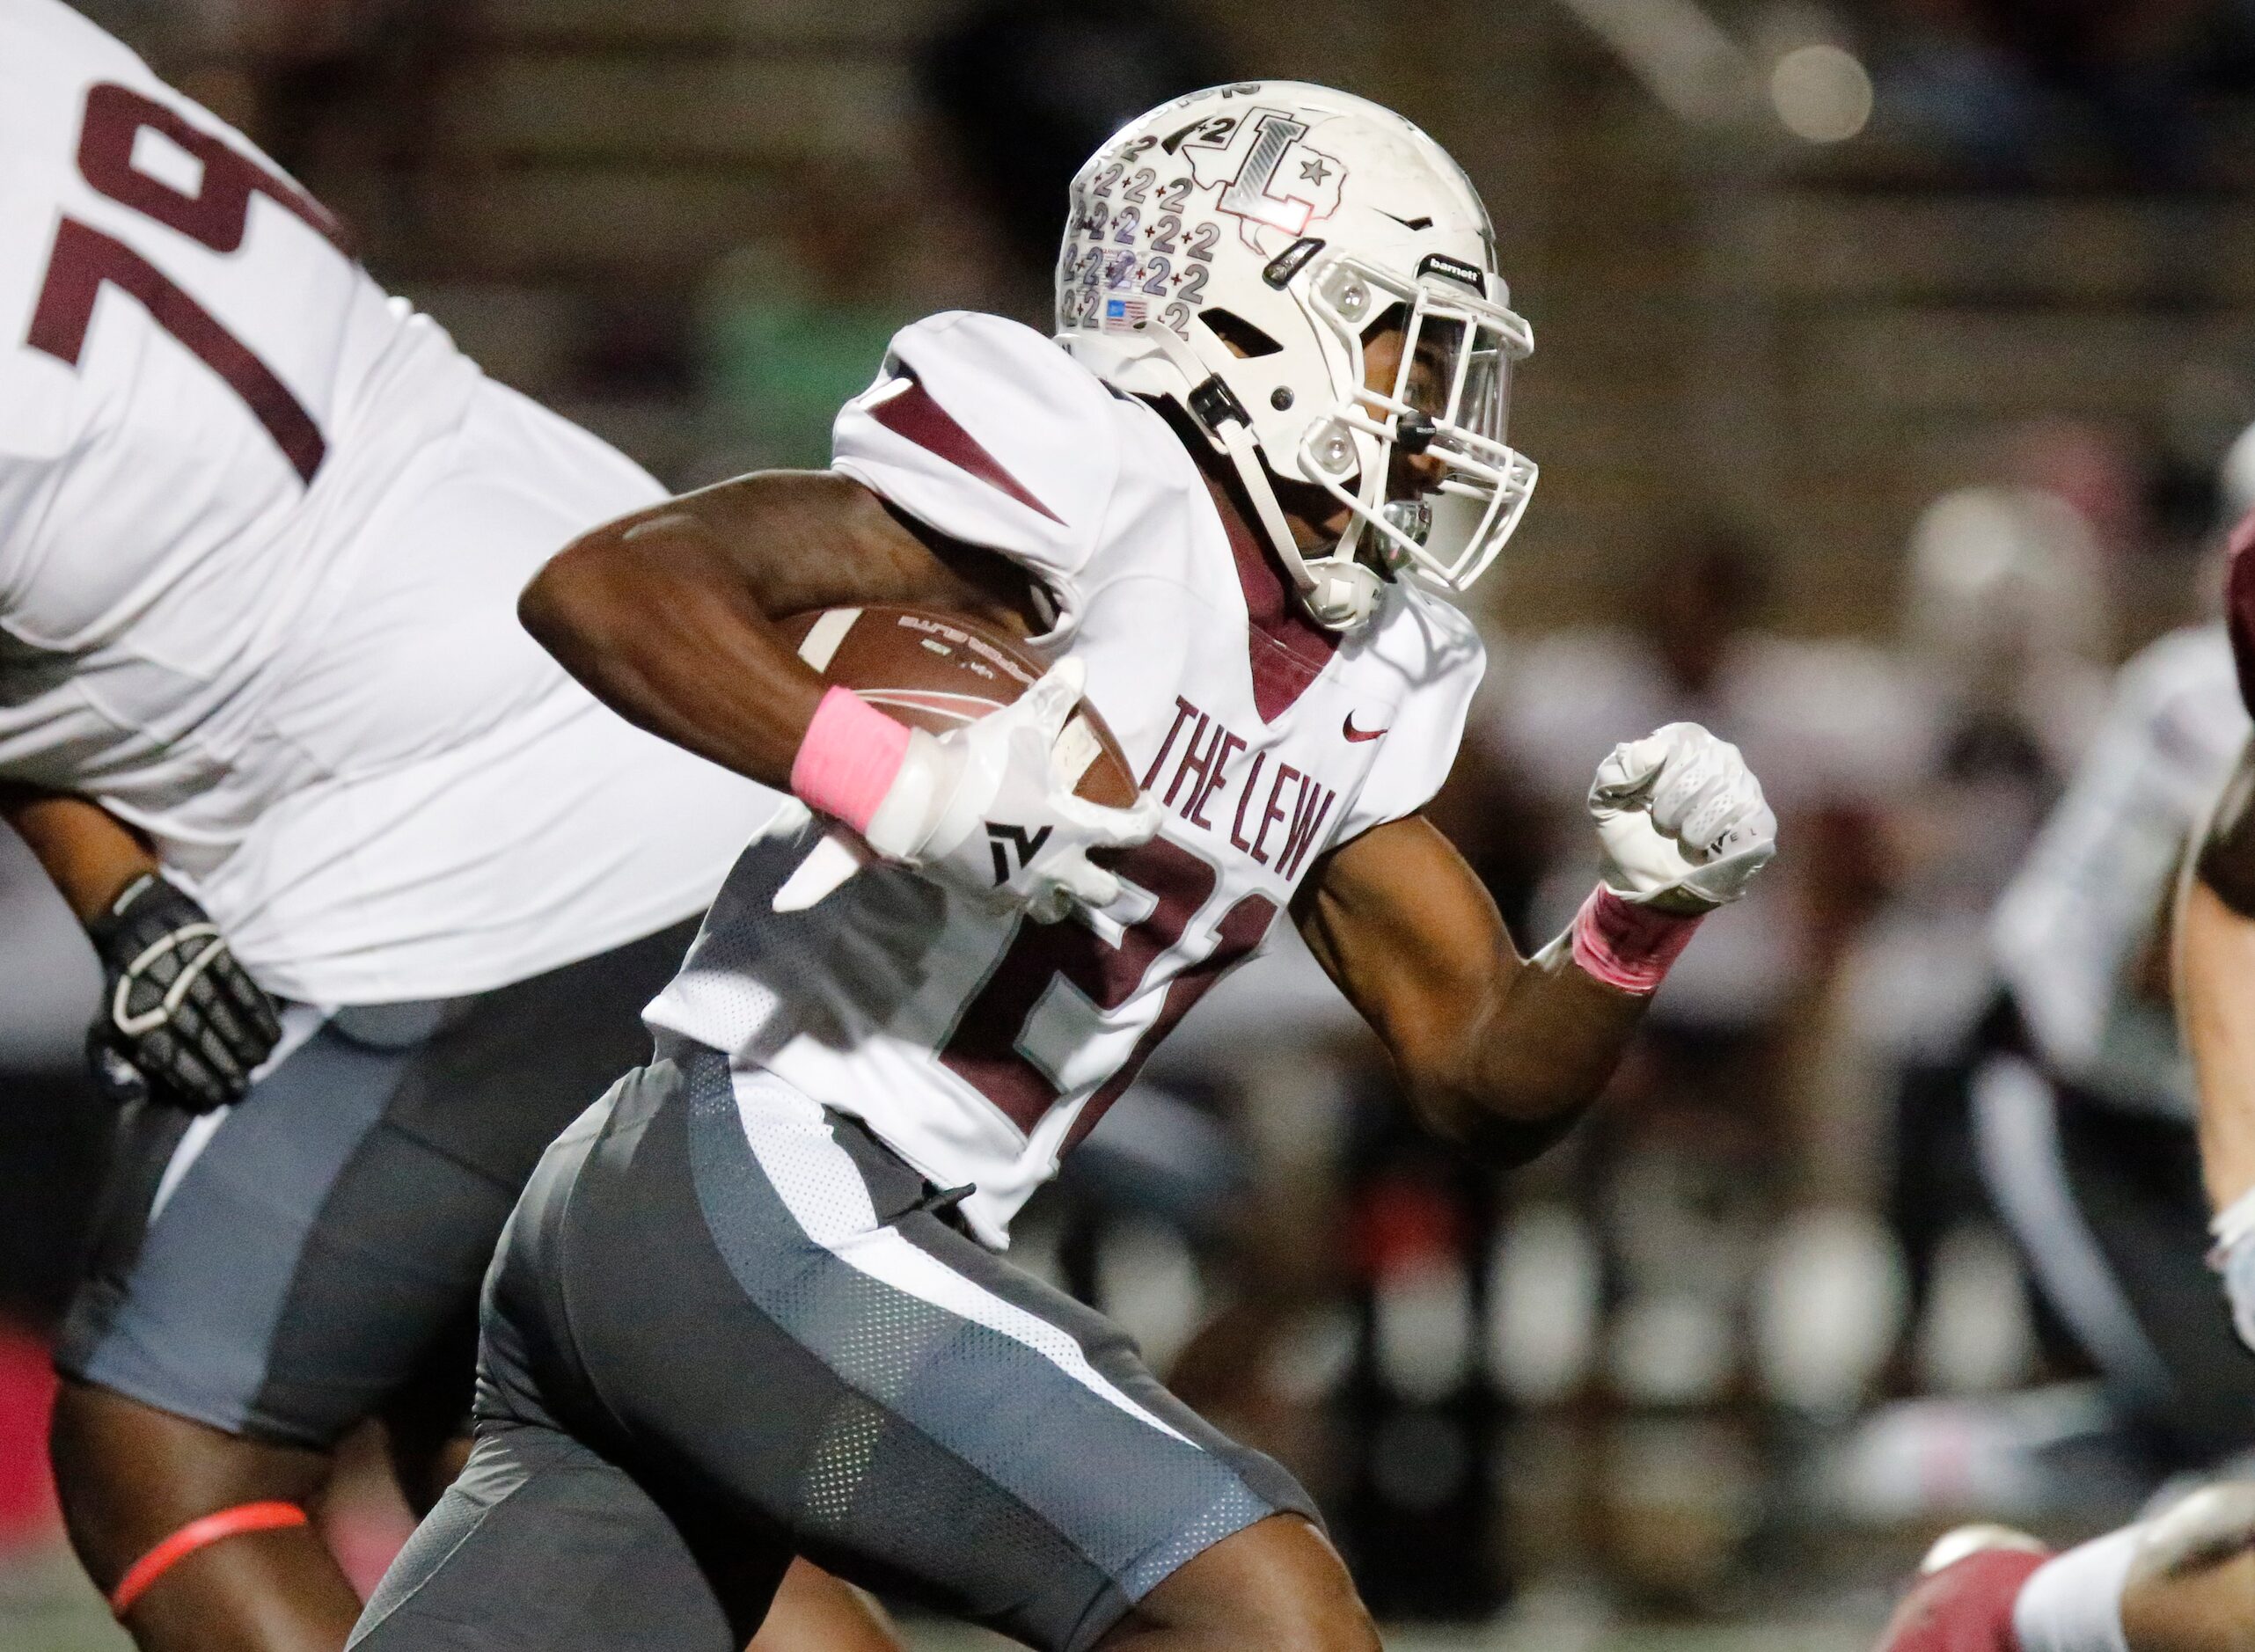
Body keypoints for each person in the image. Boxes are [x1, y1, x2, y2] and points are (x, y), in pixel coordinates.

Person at [348, 81, 1779, 1652]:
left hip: (763, 1232)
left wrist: (1633, 924)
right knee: (1268, 1616)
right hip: (758, 1165)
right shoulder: (1089, 472)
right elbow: (613, 587)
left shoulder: (1377, 659)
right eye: (1403, 339)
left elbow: (1483, 1075)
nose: (1437, 408)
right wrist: (915, 785)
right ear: (1251, 317)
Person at [0, 4, 894, 1648]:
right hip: (653, 704)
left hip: (449, 847)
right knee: (533, 1446)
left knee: (164, 1454)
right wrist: (121, 893)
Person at [1869, 501, 2255, 1652]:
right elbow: (2169, 951)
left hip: (2187, 1098)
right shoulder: (2195, 698)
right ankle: (2001, 1591)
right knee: (2230, 1426)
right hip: (2092, 1094)